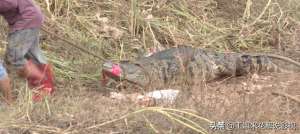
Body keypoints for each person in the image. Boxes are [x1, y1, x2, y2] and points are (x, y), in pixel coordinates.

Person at [0, 0, 55, 101]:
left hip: (25, 20)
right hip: (30, 16)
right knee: (32, 54)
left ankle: (42, 83)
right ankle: (46, 83)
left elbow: (11, 3)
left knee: (15, 56)